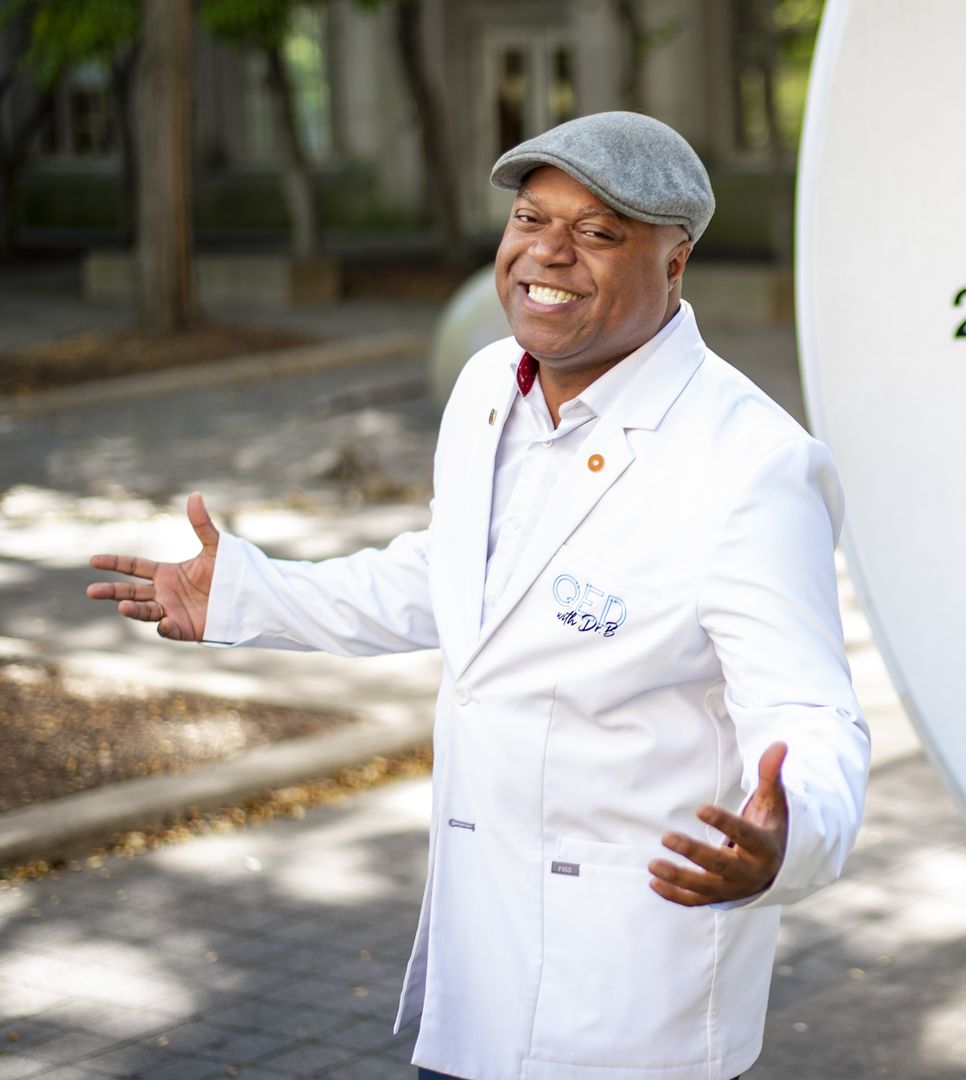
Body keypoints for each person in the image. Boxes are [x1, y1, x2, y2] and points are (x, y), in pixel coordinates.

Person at [84, 112, 870, 1080]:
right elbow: (450, 576)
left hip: (627, 1013)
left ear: (676, 264)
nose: (549, 251)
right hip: (474, 981)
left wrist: (789, 828)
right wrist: (249, 593)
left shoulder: (750, 466)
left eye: (598, 232)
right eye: (532, 218)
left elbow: (813, 716)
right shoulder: (489, 386)